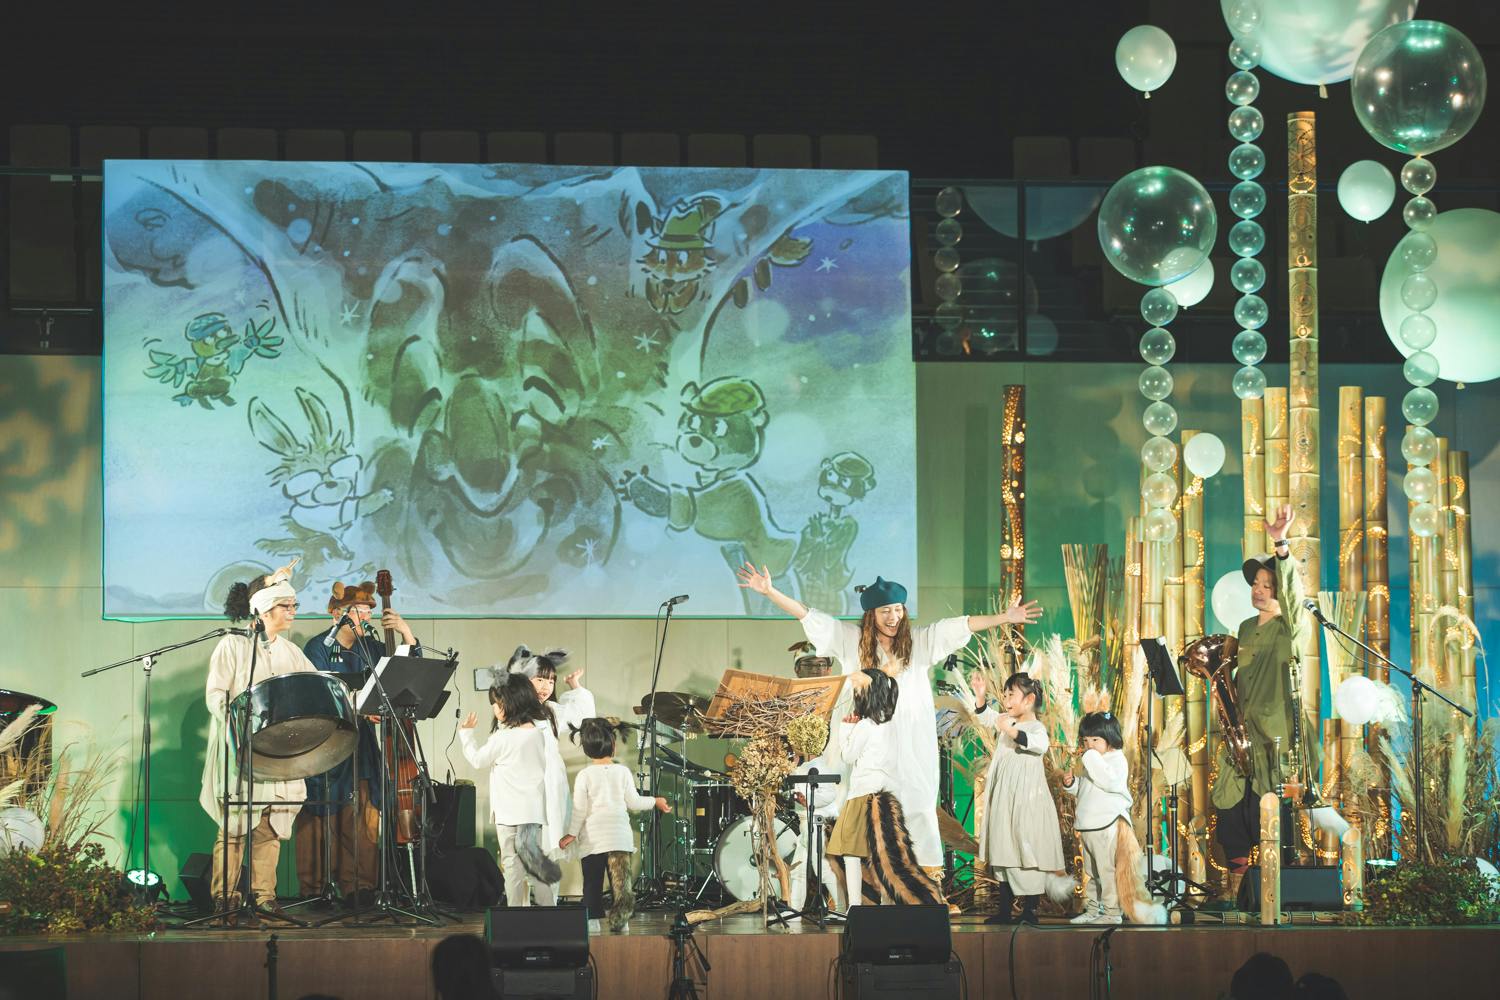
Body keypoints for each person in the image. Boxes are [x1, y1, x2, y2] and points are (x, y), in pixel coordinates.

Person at [738, 564, 1041, 894]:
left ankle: (926, 893)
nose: (893, 617)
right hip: (866, 746)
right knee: (864, 816)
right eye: (885, 611)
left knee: (920, 809)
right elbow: (809, 616)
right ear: (871, 615)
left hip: (912, 744)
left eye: (898, 609)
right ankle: (870, 895)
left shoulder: (919, 642)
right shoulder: (852, 641)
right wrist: (770, 591)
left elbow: (961, 624)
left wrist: (1004, 617)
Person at [200, 559, 318, 916]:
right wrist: (239, 724)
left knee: (269, 825)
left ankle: (264, 897)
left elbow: (316, 688)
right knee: (236, 826)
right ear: (264, 611)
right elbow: (216, 695)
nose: (293, 611)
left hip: (280, 752)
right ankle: (225, 898)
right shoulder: (233, 646)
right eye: (286, 605)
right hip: (243, 750)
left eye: (294, 605)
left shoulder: (291, 652)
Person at [1211, 504, 1313, 903]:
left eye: (1267, 585)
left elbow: (1294, 594)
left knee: (1270, 815)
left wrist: (1281, 544)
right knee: (1231, 813)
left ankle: (1274, 897)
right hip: (1242, 737)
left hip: (1275, 738)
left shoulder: (1292, 626)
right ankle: (1239, 894)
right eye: (1256, 583)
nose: (1258, 590)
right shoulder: (1243, 628)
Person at [295, 579, 419, 904]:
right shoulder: (318, 648)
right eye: (359, 611)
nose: (366, 617)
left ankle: (359, 887)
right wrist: (361, 709)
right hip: (326, 744)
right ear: (337, 614)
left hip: (362, 747)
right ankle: (316, 889)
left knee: (363, 815)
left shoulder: (373, 648)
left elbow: (403, 674)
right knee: (321, 817)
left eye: (368, 611)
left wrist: (406, 634)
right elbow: (320, 694)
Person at [824, 669, 940, 906]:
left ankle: (854, 906)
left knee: (850, 853)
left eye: (858, 689)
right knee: (884, 854)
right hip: (887, 796)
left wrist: (846, 728)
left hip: (862, 794)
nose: (855, 693)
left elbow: (848, 755)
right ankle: (888, 904)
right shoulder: (891, 725)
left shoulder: (865, 726)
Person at [459, 674, 563, 907]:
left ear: (510, 703)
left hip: (508, 812)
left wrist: (466, 735)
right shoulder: (538, 733)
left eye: (496, 703)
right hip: (533, 811)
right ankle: (550, 913)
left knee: (512, 865)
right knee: (535, 864)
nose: (494, 708)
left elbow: (478, 760)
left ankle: (515, 915)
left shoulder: (502, 737)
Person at [971, 672, 1066, 924]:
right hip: (1006, 800)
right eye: (1004, 695)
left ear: (1029, 699)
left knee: (1026, 849)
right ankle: (1004, 910)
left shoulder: (1036, 728)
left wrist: (1011, 730)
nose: (1006, 700)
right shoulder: (1007, 721)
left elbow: (1037, 744)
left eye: (1011, 694)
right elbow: (987, 717)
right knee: (1004, 848)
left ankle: (1029, 911)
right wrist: (980, 695)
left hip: (1027, 803)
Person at [558, 718, 669, 932]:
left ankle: (592, 922)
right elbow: (634, 802)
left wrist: (571, 834)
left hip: (594, 839)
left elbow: (579, 810)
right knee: (620, 881)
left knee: (592, 882)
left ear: (586, 749)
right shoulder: (623, 771)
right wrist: (655, 801)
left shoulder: (584, 775)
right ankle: (622, 920)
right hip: (619, 837)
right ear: (614, 745)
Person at [505, 645, 593, 902]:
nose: (546, 686)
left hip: (551, 788)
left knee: (547, 849)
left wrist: (575, 686)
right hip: (525, 788)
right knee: (520, 854)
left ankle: (548, 909)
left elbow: (583, 717)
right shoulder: (513, 710)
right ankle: (518, 912)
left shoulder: (551, 710)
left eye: (551, 681)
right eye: (539, 679)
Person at [1060, 700, 1160, 925]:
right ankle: (1094, 909)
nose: (1089, 745)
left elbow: (1109, 782)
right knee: (1092, 872)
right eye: (1086, 741)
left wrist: (1091, 758)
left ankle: (1112, 912)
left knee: (1106, 871)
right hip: (1089, 825)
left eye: (1095, 740)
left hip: (1107, 825)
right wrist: (1072, 784)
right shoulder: (1094, 761)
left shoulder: (1116, 760)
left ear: (1110, 738)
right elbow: (1088, 790)